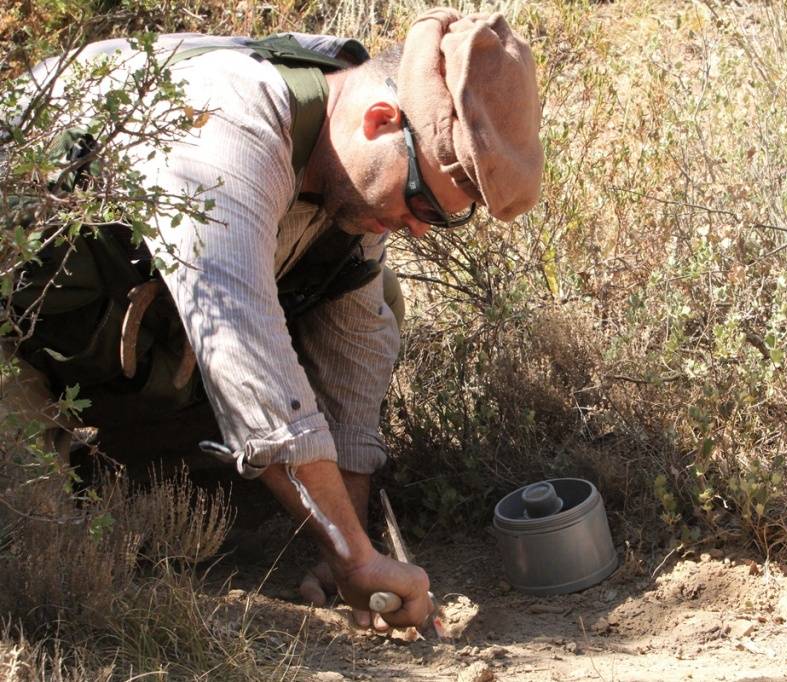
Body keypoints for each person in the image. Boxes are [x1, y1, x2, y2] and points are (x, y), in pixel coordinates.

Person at [4, 8, 542, 632]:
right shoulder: (226, 122)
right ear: (380, 121)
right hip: (16, 348)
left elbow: (355, 364)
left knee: (376, 299)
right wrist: (356, 559)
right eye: (421, 203)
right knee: (50, 573)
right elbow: (239, 342)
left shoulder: (349, 174)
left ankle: (136, 480)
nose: (419, 226)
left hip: (103, 361)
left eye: (443, 219)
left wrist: (344, 545)